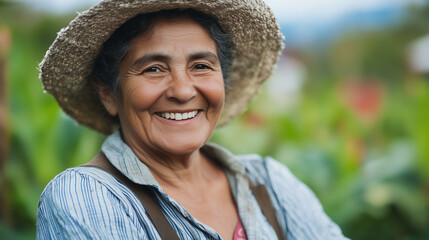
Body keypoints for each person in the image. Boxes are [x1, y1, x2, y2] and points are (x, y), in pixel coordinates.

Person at [36, 0, 348, 239]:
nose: (183, 91)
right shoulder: (85, 197)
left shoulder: (269, 184)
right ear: (107, 93)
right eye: (153, 69)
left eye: (200, 66)